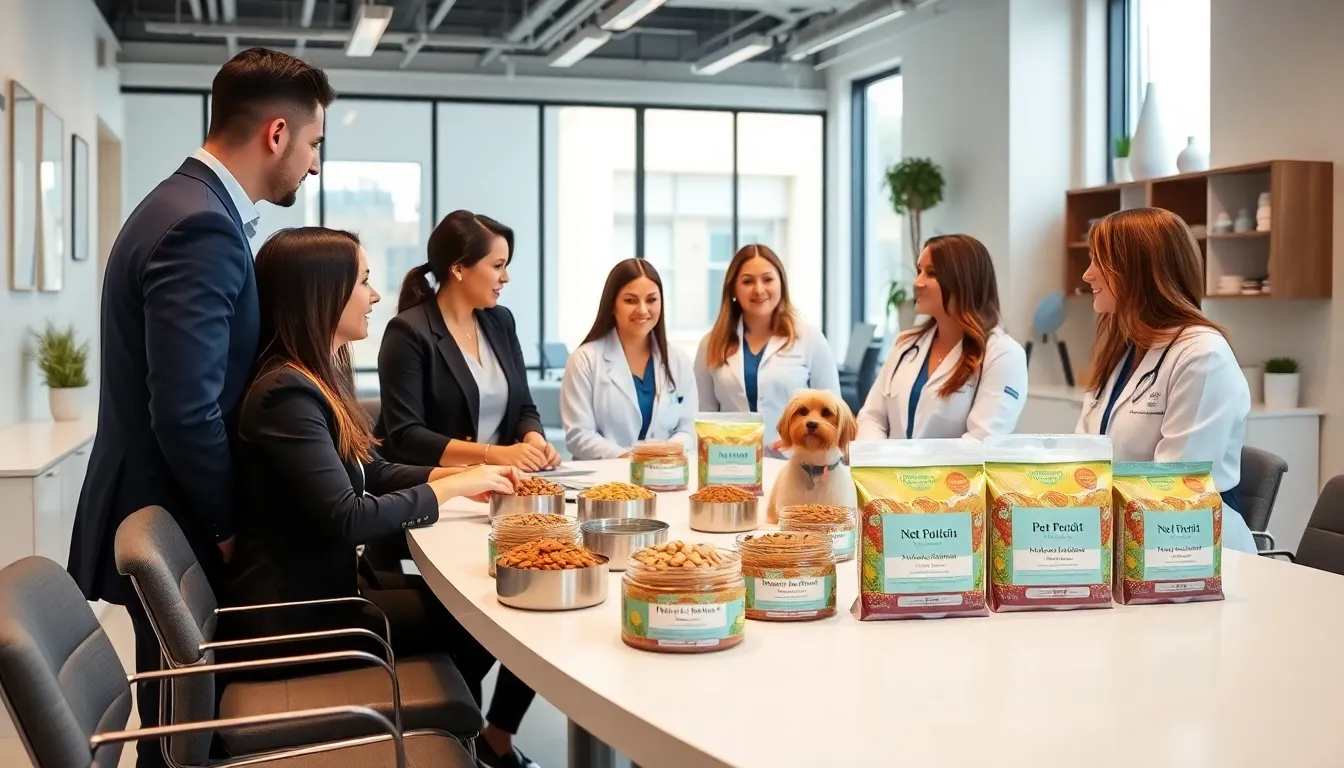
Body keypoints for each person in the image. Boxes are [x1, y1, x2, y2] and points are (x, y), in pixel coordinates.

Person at [67, 48, 333, 767]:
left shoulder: (184, 204)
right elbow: (185, 411)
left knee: (178, 718)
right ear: (276, 134)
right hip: (175, 509)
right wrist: (224, 524)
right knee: (180, 728)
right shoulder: (199, 226)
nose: (313, 166)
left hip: (161, 501)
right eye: (313, 145)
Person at [230, 227, 538, 768]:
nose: (375, 295)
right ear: (321, 293)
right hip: (300, 618)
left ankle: (457, 736)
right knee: (483, 618)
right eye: (364, 281)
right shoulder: (286, 393)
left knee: (477, 611)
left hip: (324, 593)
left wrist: (459, 481)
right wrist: (456, 485)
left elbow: (373, 470)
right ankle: (451, 738)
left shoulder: (315, 377)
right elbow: (348, 517)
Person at [1075, 208, 1257, 553]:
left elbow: (1173, 486)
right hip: (1123, 543)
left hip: (1190, 551)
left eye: (1098, 261)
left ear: (1138, 270)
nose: (1087, 275)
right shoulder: (1123, 350)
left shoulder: (1202, 355)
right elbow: (1085, 452)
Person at [376, 210, 560, 472]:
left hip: (499, 483)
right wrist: (495, 455)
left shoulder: (501, 322)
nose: (505, 277)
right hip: (431, 489)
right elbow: (407, 436)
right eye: (497, 266)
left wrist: (534, 440)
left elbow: (524, 408)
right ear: (459, 268)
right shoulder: (408, 332)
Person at [857, 234, 1028, 440]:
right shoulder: (905, 345)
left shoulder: (1004, 355)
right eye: (919, 271)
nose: (917, 283)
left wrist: (916, 471)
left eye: (931, 274)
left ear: (963, 282)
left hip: (954, 473)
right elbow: (872, 418)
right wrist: (881, 463)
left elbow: (982, 441)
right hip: (889, 470)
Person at [693, 243, 840, 448]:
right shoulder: (711, 343)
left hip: (795, 463)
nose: (759, 290)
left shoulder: (810, 338)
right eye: (747, 281)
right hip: (729, 463)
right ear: (733, 288)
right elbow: (702, 416)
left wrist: (799, 440)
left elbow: (834, 414)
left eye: (768, 279)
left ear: (781, 283)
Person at [560, 258, 697, 459]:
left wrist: (663, 454)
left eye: (651, 300)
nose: (642, 310)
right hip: (604, 482)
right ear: (612, 305)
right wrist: (630, 460)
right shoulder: (585, 360)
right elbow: (579, 435)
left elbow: (688, 429)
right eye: (631, 300)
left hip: (666, 478)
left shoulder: (678, 360)